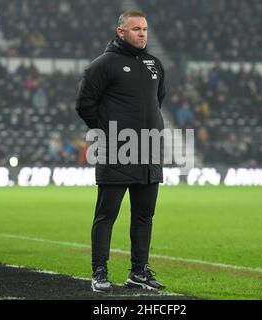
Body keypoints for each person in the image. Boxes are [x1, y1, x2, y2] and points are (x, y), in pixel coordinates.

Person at [76, 11, 166, 292]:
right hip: (116, 152)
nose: (142, 34)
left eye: (145, 29)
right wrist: (107, 132)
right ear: (120, 32)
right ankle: (99, 272)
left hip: (148, 151)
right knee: (106, 215)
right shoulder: (103, 65)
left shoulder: (154, 64)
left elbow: (157, 100)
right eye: (136, 29)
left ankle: (138, 273)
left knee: (144, 216)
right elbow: (84, 104)